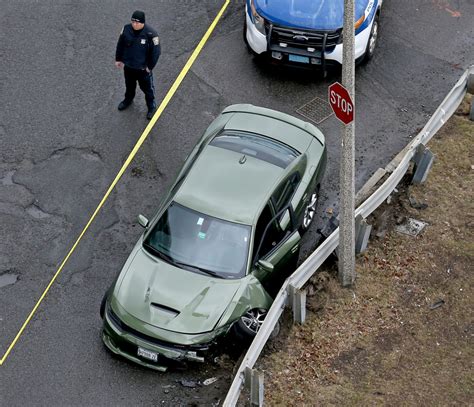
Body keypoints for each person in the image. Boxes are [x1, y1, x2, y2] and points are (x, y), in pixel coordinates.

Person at [115, 10, 161, 120]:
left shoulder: (151, 35)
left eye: (137, 22)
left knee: (147, 89)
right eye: (133, 22)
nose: (134, 24)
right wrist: (118, 59)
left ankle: (151, 107)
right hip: (129, 67)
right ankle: (128, 100)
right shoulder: (126, 29)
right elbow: (120, 44)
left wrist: (149, 67)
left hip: (142, 70)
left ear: (143, 23)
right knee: (129, 86)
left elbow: (156, 53)